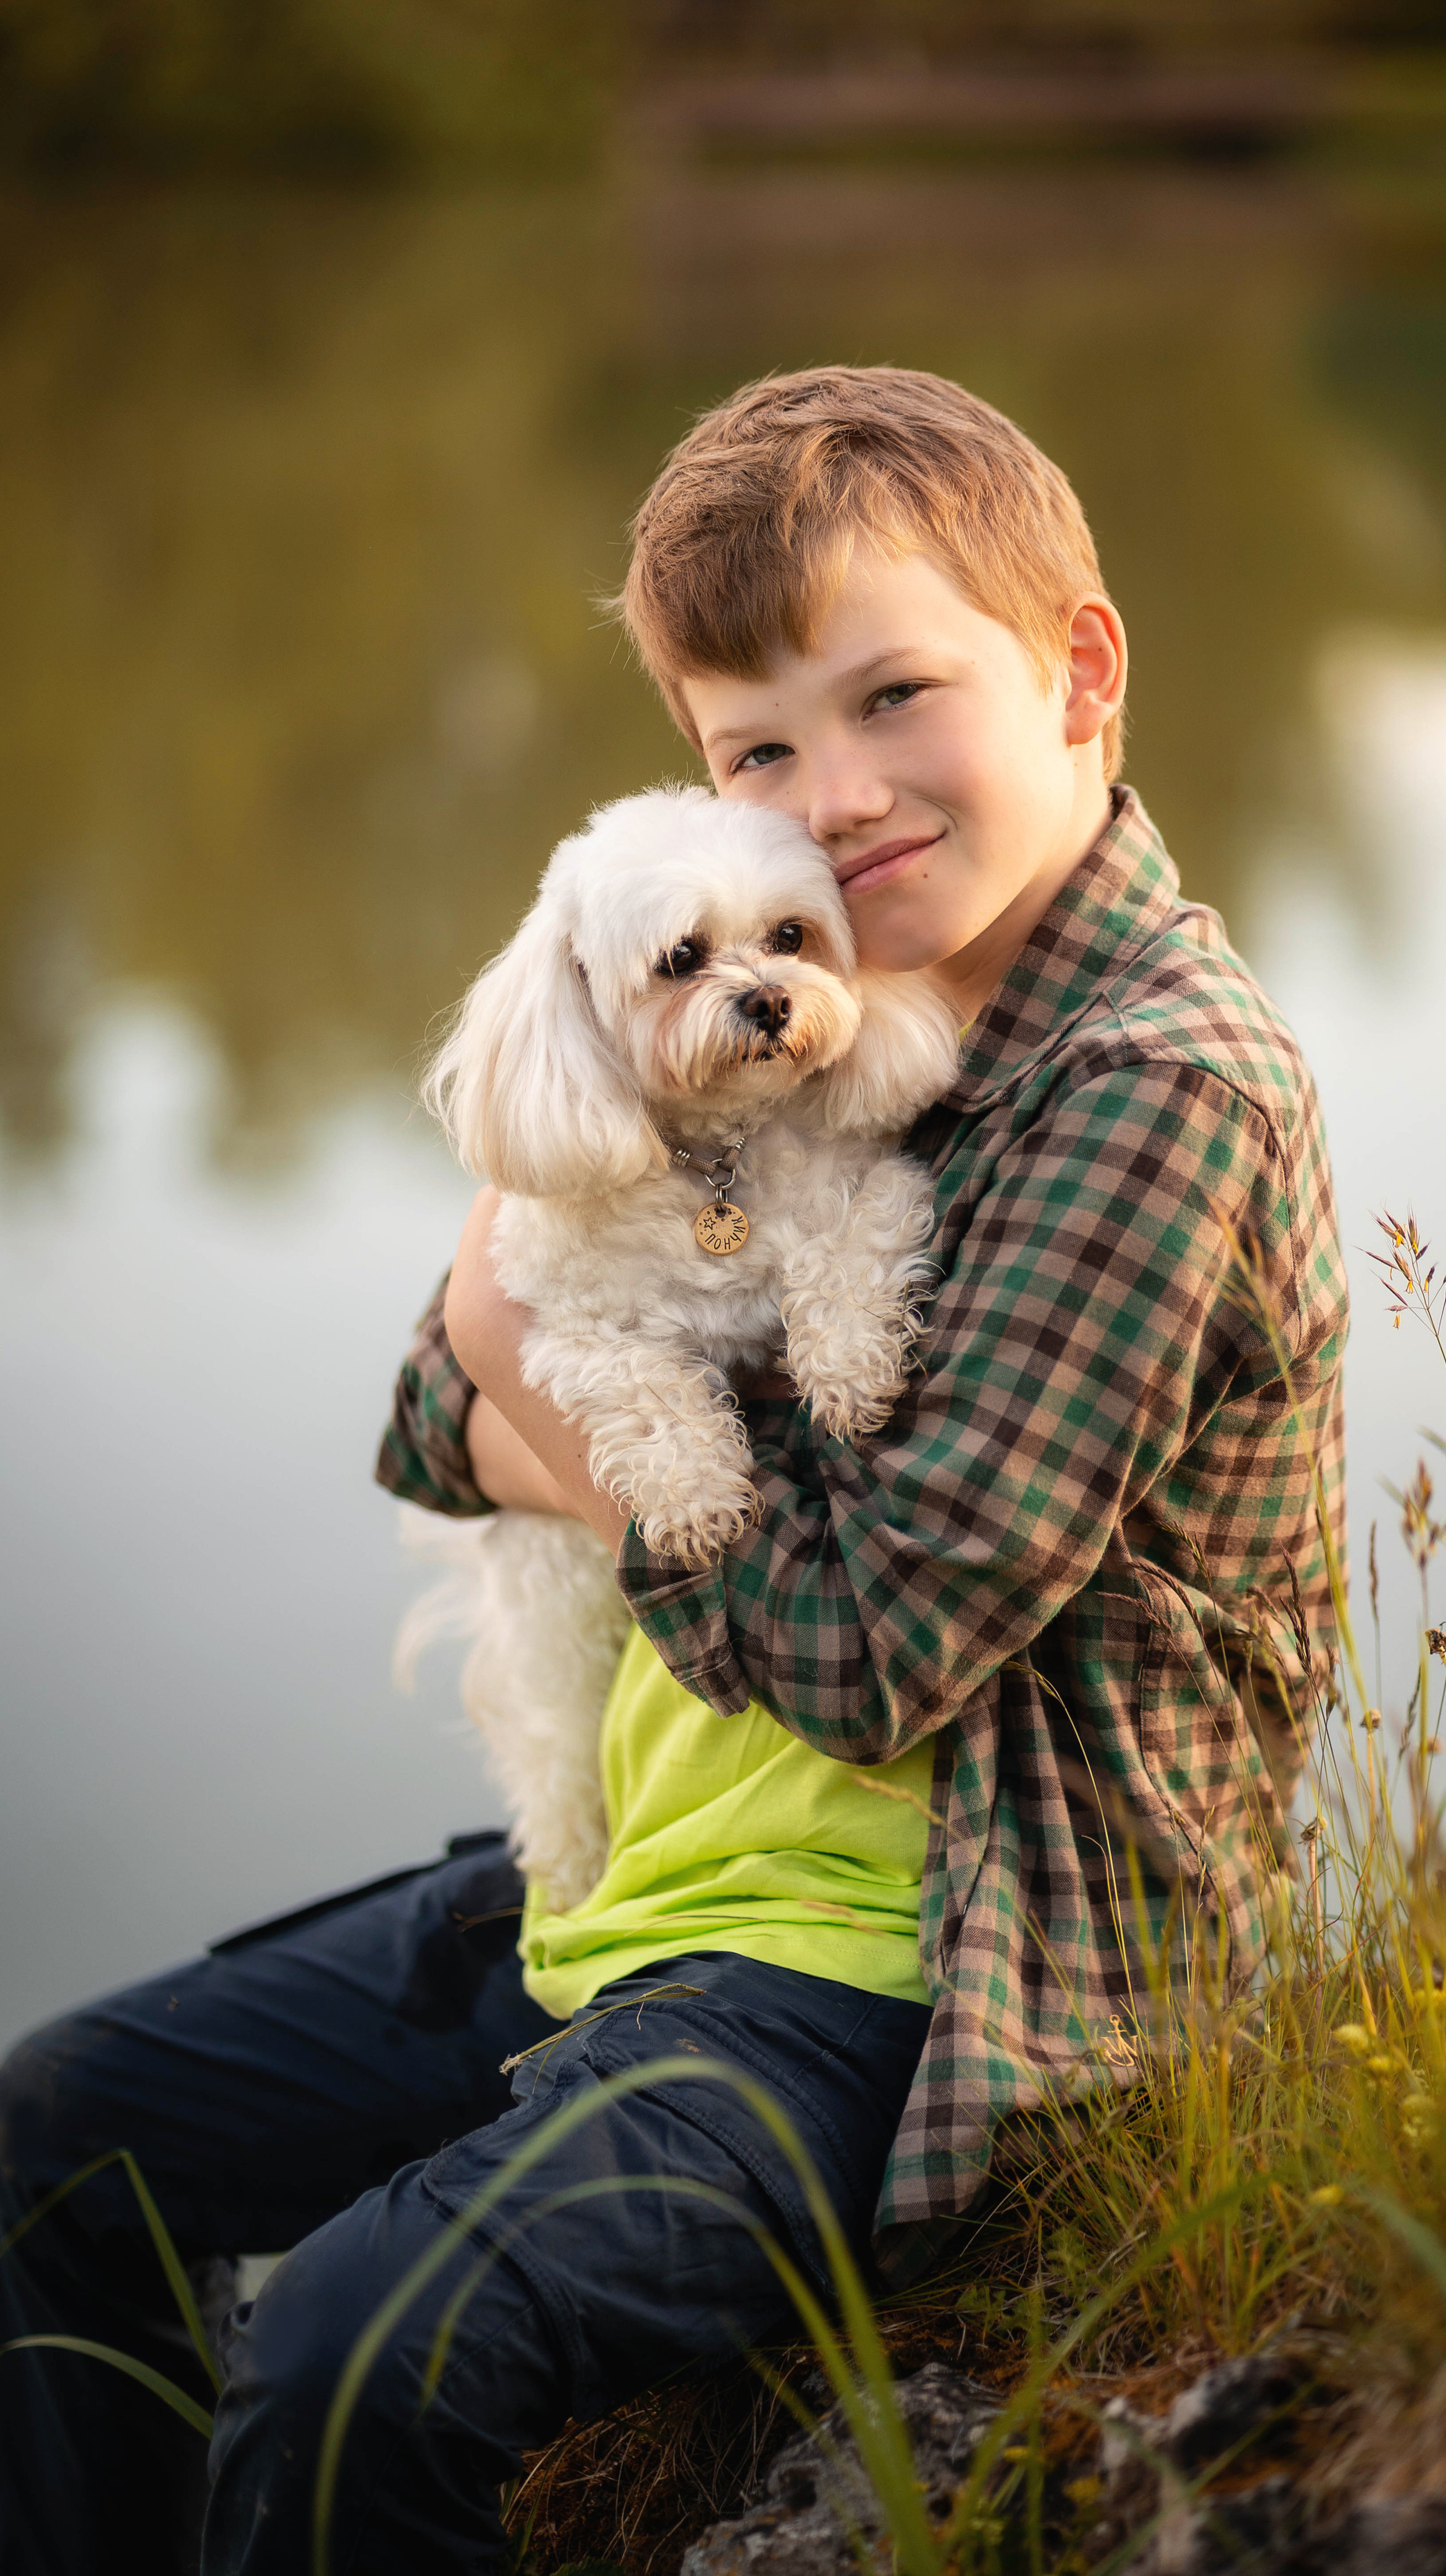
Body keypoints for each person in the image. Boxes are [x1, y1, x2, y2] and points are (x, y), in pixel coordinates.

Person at [0, 366, 1347, 2573]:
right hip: (634, 1887)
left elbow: (874, 1643)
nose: (836, 800)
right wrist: (519, 1346)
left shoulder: (1148, 1090)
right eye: (760, 754)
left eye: (896, 695)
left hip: (909, 1972)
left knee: (358, 2362)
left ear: (1082, 668)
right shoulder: (809, 1011)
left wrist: (538, 1368)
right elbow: (432, 1414)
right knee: (67, 2125)